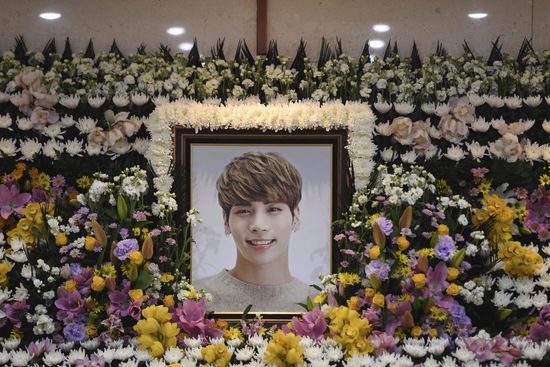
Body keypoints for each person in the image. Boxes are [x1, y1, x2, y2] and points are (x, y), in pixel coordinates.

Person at [194, 151, 315, 312]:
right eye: (244, 211)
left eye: (273, 209)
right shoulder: (194, 298)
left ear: (296, 216)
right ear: (226, 220)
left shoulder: (322, 304)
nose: (259, 225)